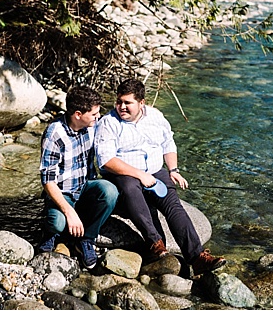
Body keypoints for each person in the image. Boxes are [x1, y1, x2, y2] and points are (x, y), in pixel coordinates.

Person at [94, 78, 226, 277]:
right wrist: (140, 175)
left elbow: (168, 144)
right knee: (130, 189)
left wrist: (173, 170)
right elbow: (106, 161)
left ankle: (197, 257)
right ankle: (155, 243)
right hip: (124, 172)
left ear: (142, 103)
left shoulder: (156, 117)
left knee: (173, 206)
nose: (121, 107)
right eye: (119, 102)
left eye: (127, 103)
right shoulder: (108, 123)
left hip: (156, 172)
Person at [38, 86, 119, 270]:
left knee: (110, 191)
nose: (98, 117)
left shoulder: (92, 126)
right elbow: (47, 180)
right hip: (62, 192)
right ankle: (50, 233)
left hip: (84, 187)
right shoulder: (54, 134)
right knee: (57, 223)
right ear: (77, 114)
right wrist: (69, 211)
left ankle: (86, 239)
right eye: (94, 114)